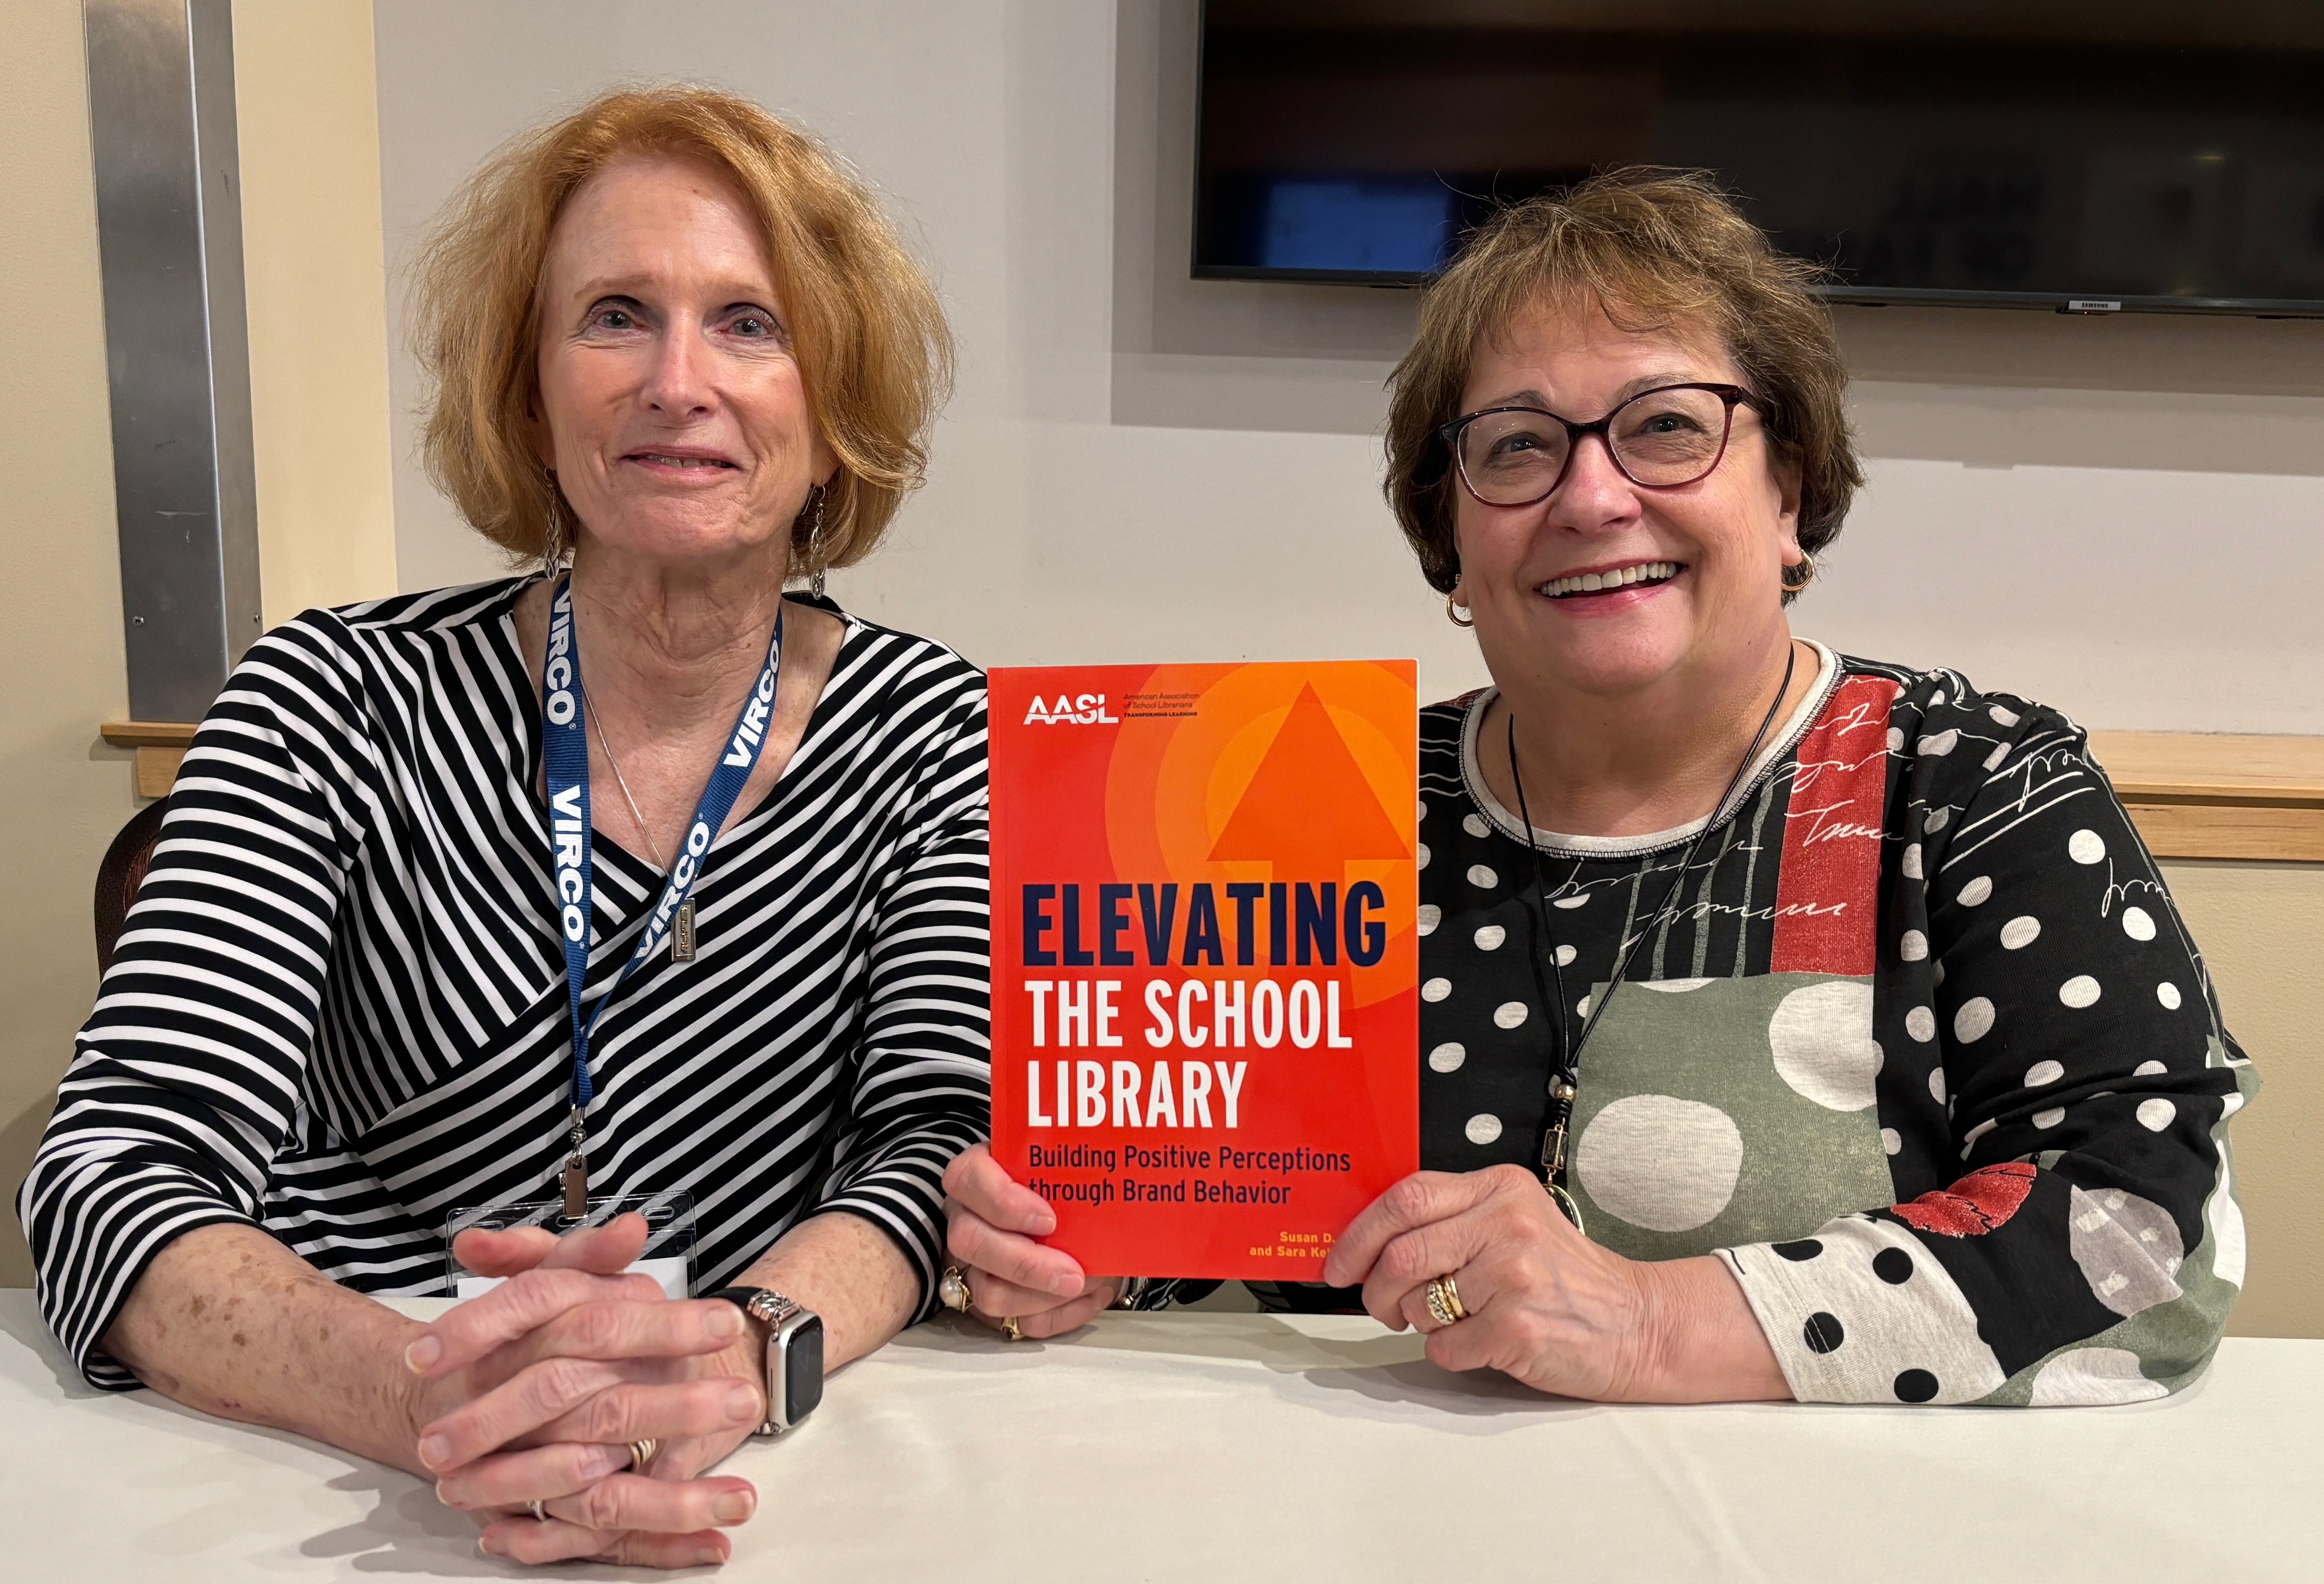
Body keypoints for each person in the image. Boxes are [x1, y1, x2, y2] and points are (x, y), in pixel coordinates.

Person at [941, 169, 2253, 1408]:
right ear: (1449, 543)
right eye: (1514, 449)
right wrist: (1077, 1247)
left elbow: (2134, 1241)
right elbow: (1248, 1213)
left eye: (1665, 428)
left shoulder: (1973, 785)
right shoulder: (1316, 807)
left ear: (1786, 490)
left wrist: (1648, 1320)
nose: (1590, 495)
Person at [19, 86, 986, 1567]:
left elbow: (932, 1148)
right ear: (529, 393)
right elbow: (112, 1170)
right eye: (613, 314)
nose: (678, 380)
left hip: (763, 1485)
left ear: (833, 402)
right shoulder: (330, 695)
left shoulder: (938, 734)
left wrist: (744, 1348)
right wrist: (436, 1399)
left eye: (751, 321)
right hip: (316, 1488)